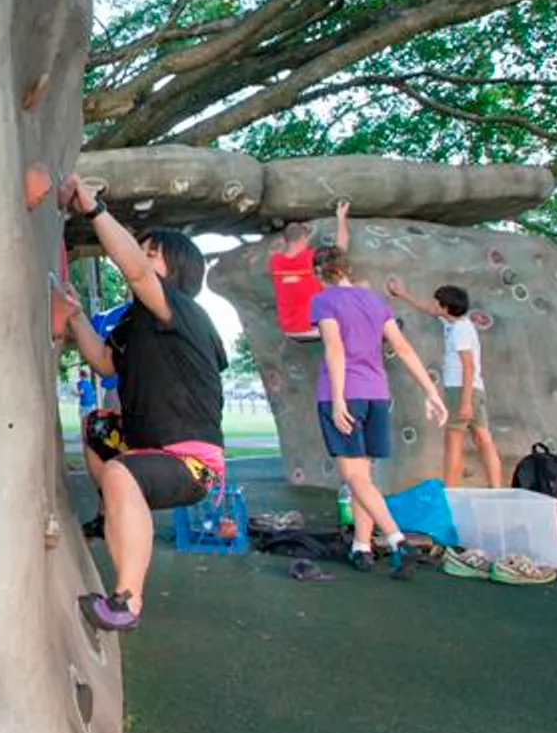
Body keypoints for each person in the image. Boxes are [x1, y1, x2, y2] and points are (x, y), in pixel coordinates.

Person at [56, 179, 227, 633]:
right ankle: (116, 510)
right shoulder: (135, 321)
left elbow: (133, 271)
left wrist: (93, 209)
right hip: (147, 450)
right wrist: (73, 314)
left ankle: (127, 602)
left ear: (176, 271)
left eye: (151, 252)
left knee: (121, 472)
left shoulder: (183, 312)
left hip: (191, 463)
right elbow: (103, 360)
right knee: (98, 429)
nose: (140, 255)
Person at [310, 247, 447, 574]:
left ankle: (396, 538)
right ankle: (362, 546)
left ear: (318, 273)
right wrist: (432, 393)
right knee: (364, 478)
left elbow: (334, 348)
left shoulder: (324, 301)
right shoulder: (375, 301)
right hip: (376, 395)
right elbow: (401, 347)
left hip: (343, 394)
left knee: (353, 476)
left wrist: (339, 398)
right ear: (348, 268)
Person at [385, 278, 503, 487]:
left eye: (437, 303)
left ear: (446, 308)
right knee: (483, 439)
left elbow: (468, 367)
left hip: (461, 390)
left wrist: (465, 401)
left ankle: (450, 491)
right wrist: (402, 293)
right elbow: (427, 309)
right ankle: (496, 487)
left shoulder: (460, 331)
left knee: (453, 441)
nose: (433, 306)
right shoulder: (455, 322)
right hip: (474, 389)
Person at [268, 201, 350, 339]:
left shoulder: (275, 262)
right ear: (304, 238)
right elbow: (342, 248)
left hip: (290, 330)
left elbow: (278, 250)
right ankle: (380, 329)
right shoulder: (311, 258)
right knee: (355, 288)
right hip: (314, 327)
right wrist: (341, 217)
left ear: (285, 241)